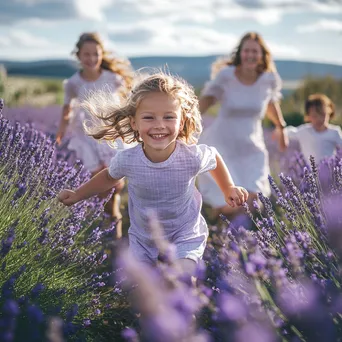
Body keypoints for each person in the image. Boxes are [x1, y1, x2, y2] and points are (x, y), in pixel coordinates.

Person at [58, 72, 248, 276]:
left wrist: (228, 188)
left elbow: (214, 158)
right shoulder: (128, 159)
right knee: (146, 289)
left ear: (181, 121)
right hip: (144, 238)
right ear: (134, 123)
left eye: (169, 117)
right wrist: (78, 195)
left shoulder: (191, 156)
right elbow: (108, 178)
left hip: (184, 232)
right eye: (149, 117)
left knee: (183, 278)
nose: (159, 125)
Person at [197, 31, 288, 219]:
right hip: (223, 145)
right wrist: (186, 122)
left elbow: (270, 104)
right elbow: (209, 99)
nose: (251, 55)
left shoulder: (268, 79)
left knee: (255, 200)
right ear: (240, 53)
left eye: (255, 51)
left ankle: (234, 233)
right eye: (247, 51)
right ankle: (218, 232)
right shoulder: (227, 75)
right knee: (229, 201)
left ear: (262, 55)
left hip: (251, 147)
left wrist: (281, 127)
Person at [55, 32, 134, 239]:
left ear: (101, 55)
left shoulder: (114, 79)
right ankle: (109, 228)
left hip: (110, 136)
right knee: (101, 187)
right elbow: (66, 109)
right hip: (86, 137)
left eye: (95, 54)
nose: (91, 59)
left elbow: (129, 103)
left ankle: (112, 220)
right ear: (78, 56)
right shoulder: (72, 83)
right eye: (86, 54)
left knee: (114, 185)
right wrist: (60, 132)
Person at [281, 93, 342, 163]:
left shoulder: (334, 132)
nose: (319, 119)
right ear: (308, 116)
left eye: (322, 114)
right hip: (310, 172)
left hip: (329, 171)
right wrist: (280, 130)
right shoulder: (304, 131)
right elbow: (290, 131)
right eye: (315, 116)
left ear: (329, 113)